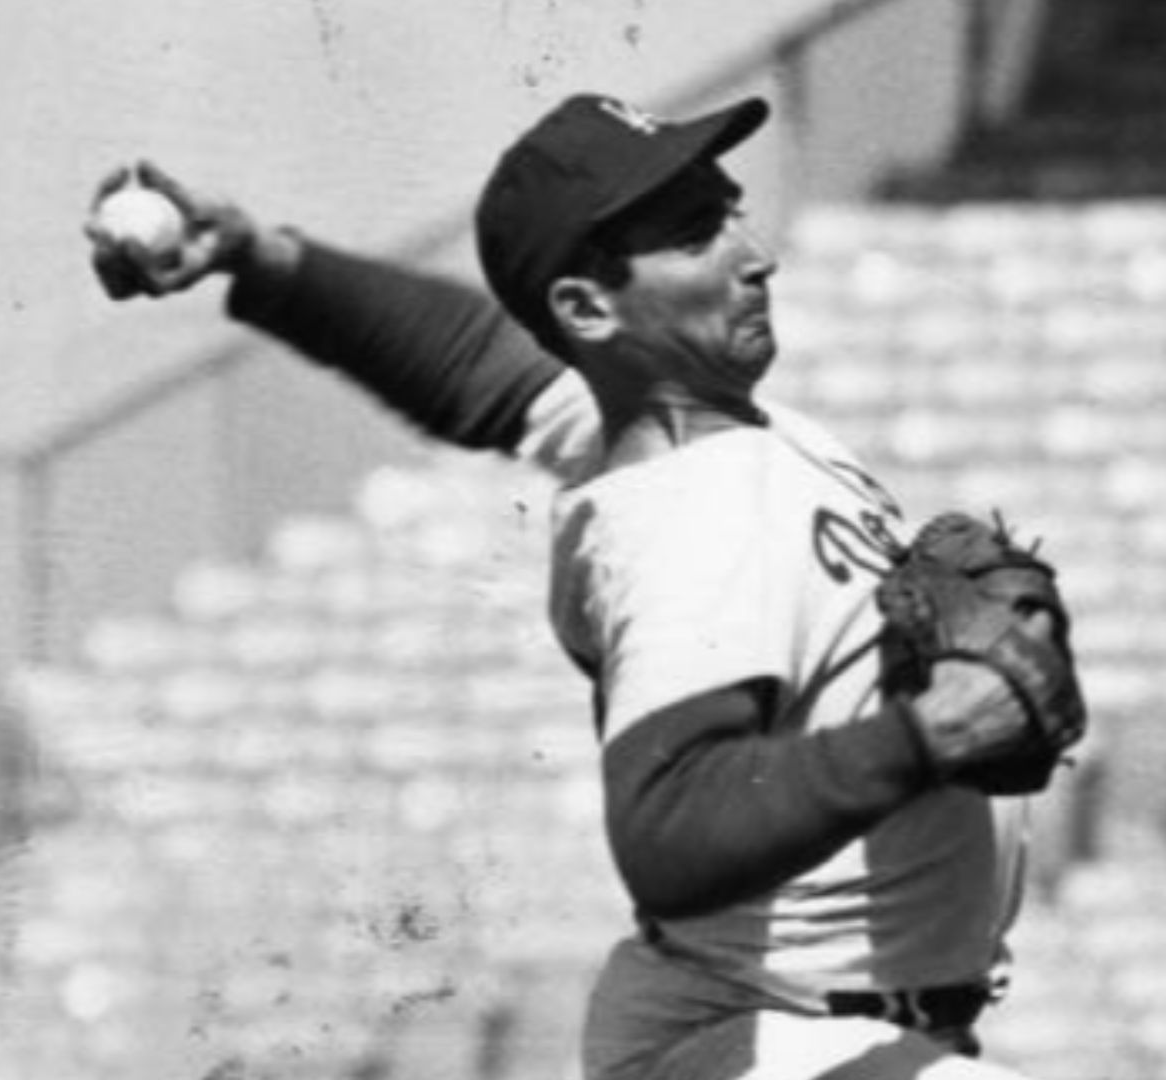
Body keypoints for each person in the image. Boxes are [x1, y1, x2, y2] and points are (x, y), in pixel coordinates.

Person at [88, 93, 1076, 1080]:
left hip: (814, 1033)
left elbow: (483, 369)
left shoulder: (709, 432)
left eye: (729, 209)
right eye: (696, 234)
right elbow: (667, 831)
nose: (752, 252)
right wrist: (933, 730)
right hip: (770, 1041)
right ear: (589, 309)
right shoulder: (690, 516)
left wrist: (260, 259)